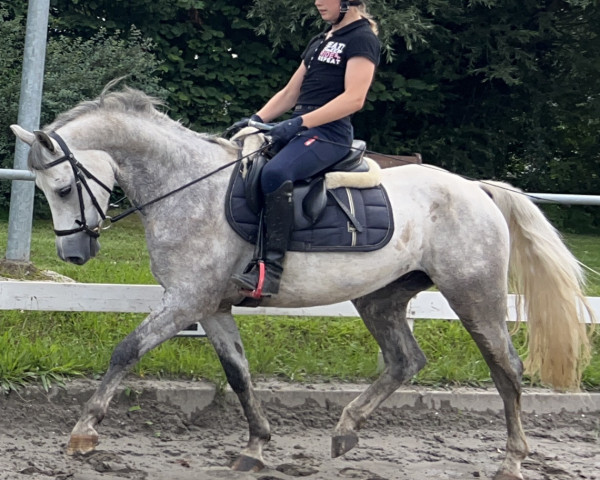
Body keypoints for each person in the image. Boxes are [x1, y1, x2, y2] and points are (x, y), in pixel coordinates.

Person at [231, 0, 380, 296]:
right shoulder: (320, 39)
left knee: (276, 173)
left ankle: (270, 271)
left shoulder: (362, 38)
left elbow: (354, 99)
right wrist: (256, 119)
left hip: (330, 133)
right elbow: (290, 92)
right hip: (305, 128)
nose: (316, 2)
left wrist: (299, 123)